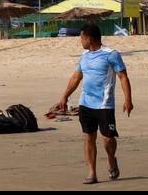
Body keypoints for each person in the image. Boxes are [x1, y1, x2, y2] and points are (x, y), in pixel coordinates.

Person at [54, 23, 133, 184]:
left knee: (108, 139)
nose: (80, 41)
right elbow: (76, 77)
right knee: (88, 137)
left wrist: (128, 99)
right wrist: (64, 97)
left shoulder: (111, 54)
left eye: (81, 37)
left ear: (89, 39)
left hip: (104, 104)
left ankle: (111, 159)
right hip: (85, 104)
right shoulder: (84, 56)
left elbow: (123, 77)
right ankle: (92, 173)